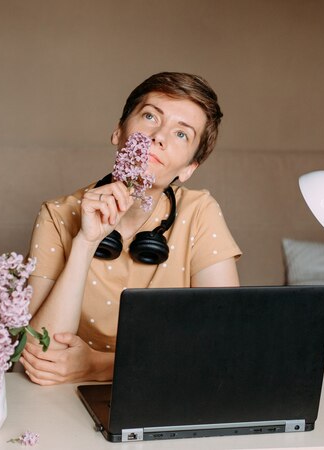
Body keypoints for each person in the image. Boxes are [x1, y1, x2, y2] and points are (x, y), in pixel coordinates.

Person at [20, 72, 242, 386]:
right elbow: (40, 355)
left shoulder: (200, 213)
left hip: (166, 389)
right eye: (150, 116)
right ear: (118, 131)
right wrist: (85, 242)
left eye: (182, 134)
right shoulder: (57, 215)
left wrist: (97, 366)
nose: (159, 136)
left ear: (190, 168)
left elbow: (225, 346)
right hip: (66, 394)